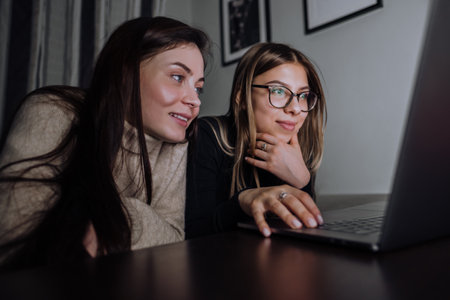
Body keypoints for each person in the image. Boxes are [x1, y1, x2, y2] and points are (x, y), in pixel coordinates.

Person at [0, 16, 210, 270]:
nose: (195, 101)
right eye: (177, 77)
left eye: (198, 88)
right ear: (126, 74)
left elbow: (173, 240)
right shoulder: (52, 109)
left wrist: (104, 214)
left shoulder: (176, 140)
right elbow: (12, 235)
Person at [186, 42, 326, 238]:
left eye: (302, 95)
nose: (295, 108)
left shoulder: (298, 149)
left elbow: (303, 227)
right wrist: (242, 202)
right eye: (278, 91)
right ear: (242, 97)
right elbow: (193, 234)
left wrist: (303, 181)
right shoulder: (209, 136)